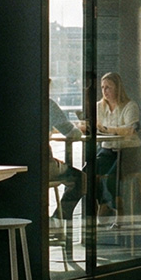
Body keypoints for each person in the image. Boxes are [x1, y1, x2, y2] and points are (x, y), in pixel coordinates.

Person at [95, 71, 140, 216]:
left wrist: (107, 129)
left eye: (108, 87)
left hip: (128, 151)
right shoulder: (99, 107)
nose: (105, 91)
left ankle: (116, 208)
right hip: (107, 149)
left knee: (111, 178)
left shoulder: (130, 106)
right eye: (102, 87)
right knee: (87, 173)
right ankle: (104, 204)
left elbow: (130, 130)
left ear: (117, 88)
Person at [48, 91, 83, 227]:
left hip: (19, 167)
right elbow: (74, 133)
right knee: (80, 179)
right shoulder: (49, 104)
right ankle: (59, 218)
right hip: (45, 164)